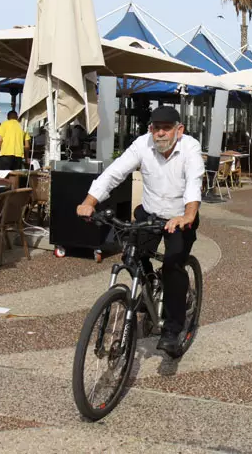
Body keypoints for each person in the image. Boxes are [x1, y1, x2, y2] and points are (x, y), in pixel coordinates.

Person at [77, 106, 204, 357]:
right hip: (150, 213)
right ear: (150, 130)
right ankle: (149, 287)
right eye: (156, 128)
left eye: (166, 128)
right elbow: (115, 172)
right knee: (131, 254)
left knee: (172, 263)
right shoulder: (142, 144)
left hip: (180, 217)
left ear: (179, 130)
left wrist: (188, 214)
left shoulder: (190, 147)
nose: (160, 133)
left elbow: (194, 180)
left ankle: (172, 327)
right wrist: (89, 202)